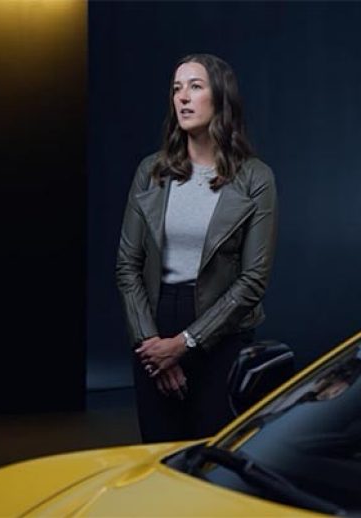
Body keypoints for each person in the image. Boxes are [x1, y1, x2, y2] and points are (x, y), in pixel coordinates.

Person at [116, 54, 278, 443]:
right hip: (154, 328)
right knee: (158, 455)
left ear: (220, 98)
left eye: (195, 86)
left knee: (212, 456)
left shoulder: (255, 178)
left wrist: (185, 344)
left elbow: (253, 280)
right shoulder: (150, 172)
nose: (182, 97)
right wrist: (152, 347)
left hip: (221, 333)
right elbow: (127, 266)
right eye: (176, 88)